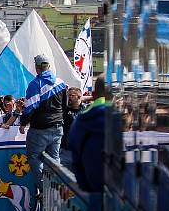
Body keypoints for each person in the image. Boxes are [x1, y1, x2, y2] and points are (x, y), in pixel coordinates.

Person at [19, 54, 67, 191]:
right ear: (48, 66)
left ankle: (45, 190)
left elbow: (30, 108)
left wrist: (23, 123)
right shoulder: (60, 82)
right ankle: (56, 189)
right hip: (58, 128)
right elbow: (65, 104)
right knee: (54, 159)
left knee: (34, 158)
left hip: (40, 130)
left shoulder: (35, 84)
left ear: (37, 67)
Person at [67, 75, 107, 192]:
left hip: (91, 192)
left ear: (93, 95)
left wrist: (85, 186)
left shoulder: (81, 120)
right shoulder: (123, 119)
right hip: (120, 198)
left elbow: (76, 157)